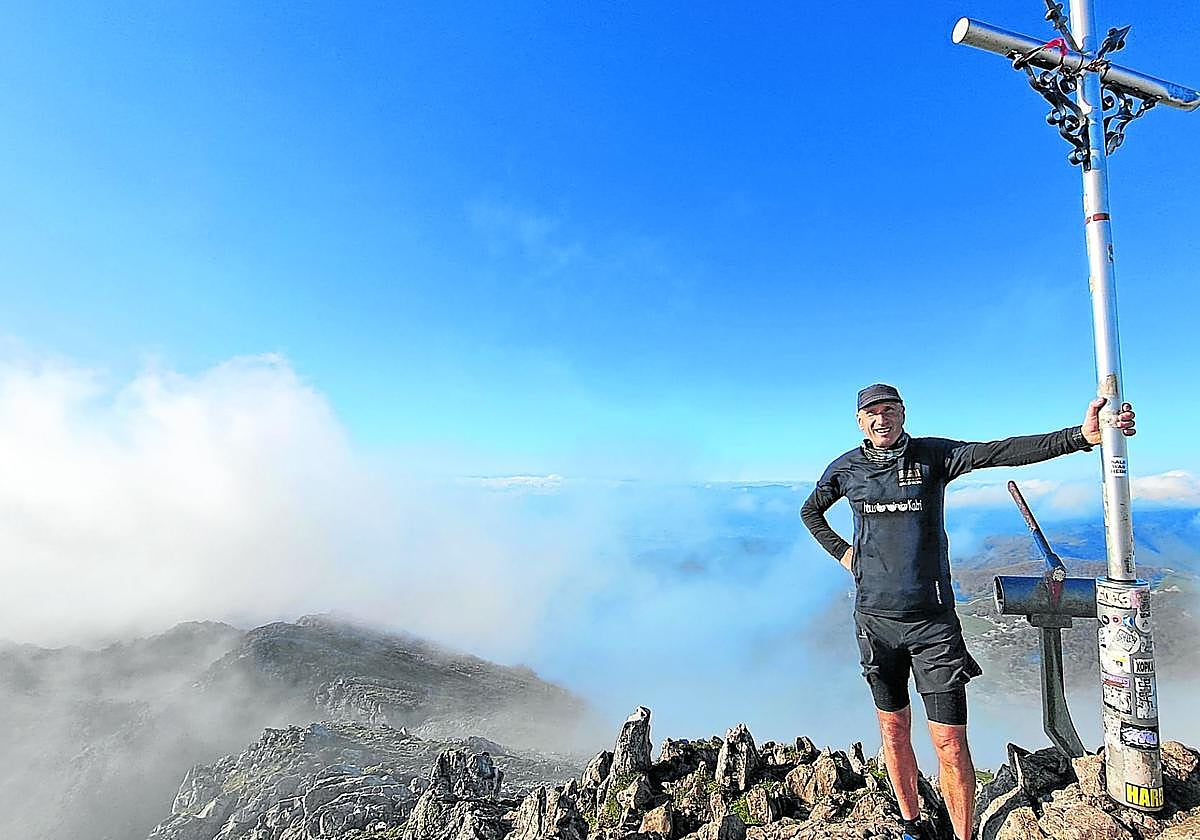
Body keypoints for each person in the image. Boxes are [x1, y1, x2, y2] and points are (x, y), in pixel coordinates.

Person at [800, 383, 1136, 840]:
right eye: (872, 412)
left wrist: (1078, 437)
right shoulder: (846, 470)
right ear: (860, 421)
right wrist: (844, 553)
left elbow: (998, 451)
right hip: (874, 622)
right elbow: (811, 511)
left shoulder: (931, 457)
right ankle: (911, 825)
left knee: (950, 743)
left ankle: (964, 835)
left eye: (890, 409)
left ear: (903, 412)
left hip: (933, 624)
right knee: (893, 731)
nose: (882, 418)